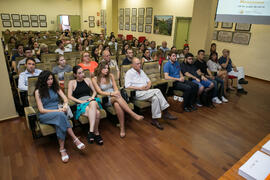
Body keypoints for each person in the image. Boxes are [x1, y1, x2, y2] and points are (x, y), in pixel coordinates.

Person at [35, 71, 85, 163]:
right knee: (60, 115)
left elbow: (65, 99)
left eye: (51, 79)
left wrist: (65, 105)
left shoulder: (55, 88)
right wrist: (58, 111)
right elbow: (41, 110)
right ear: (43, 80)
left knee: (59, 121)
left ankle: (62, 149)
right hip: (45, 114)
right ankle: (75, 139)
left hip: (58, 113)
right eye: (48, 79)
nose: (50, 81)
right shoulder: (38, 92)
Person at [92, 62, 144, 137]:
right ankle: (133, 114)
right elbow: (99, 92)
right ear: (100, 69)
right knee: (117, 97)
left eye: (107, 68)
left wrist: (116, 92)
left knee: (117, 104)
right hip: (106, 98)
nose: (107, 70)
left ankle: (122, 128)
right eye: (105, 68)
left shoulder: (110, 76)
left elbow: (115, 87)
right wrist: (111, 94)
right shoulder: (94, 79)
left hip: (115, 96)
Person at [125, 57, 177, 130]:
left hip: (146, 91)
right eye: (137, 64)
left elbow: (148, 81)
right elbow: (127, 86)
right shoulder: (129, 73)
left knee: (155, 98)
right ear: (132, 65)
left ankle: (155, 120)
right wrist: (140, 88)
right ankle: (165, 111)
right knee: (157, 91)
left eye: (140, 63)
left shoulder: (141, 71)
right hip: (137, 93)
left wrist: (149, 85)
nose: (139, 65)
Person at [68, 66, 103, 145]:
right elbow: (69, 96)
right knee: (97, 113)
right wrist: (80, 101)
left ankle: (90, 132)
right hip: (81, 103)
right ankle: (96, 133)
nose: (82, 74)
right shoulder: (72, 82)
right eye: (79, 73)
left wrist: (92, 98)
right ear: (75, 75)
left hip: (91, 100)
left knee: (93, 103)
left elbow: (94, 92)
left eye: (82, 72)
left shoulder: (87, 80)